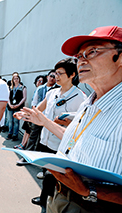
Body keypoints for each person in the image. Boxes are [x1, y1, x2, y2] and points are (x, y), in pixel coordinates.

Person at [19, 26, 122, 212]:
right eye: (79, 56)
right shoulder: (89, 103)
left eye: (92, 52)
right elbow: (76, 139)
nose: (81, 61)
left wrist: (89, 190)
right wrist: (43, 121)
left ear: (120, 57)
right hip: (60, 197)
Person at [22, 58, 87, 211]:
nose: (56, 76)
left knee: (56, 178)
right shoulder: (52, 93)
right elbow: (38, 110)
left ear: (72, 75)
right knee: (46, 174)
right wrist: (24, 114)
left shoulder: (80, 98)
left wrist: (67, 122)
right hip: (45, 141)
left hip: (60, 144)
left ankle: (50, 204)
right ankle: (44, 199)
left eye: (60, 73)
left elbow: (82, 126)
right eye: (55, 73)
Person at [16, 70, 58, 165]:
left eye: (55, 77)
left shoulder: (58, 90)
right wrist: (32, 114)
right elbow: (34, 102)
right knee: (33, 136)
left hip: (49, 119)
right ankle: (26, 158)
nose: (52, 78)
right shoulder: (41, 88)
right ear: (47, 77)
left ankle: (39, 160)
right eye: (51, 76)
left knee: (43, 140)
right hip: (37, 116)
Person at [14, 74, 46, 149]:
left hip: (37, 114)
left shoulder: (44, 90)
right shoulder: (37, 90)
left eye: (41, 81)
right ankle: (22, 143)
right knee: (26, 129)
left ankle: (24, 145)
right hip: (31, 112)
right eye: (38, 80)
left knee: (30, 132)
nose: (39, 82)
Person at [6, 72, 27, 141]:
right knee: (10, 120)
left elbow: (24, 98)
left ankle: (15, 135)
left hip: (18, 107)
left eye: (17, 78)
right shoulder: (10, 87)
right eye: (14, 79)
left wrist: (18, 105)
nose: (16, 80)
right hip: (10, 106)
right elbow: (8, 97)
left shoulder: (23, 87)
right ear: (12, 80)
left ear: (19, 79)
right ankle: (10, 133)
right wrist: (9, 104)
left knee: (16, 121)